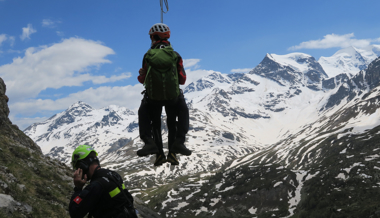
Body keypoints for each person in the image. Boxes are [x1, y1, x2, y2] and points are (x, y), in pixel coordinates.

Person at [137, 23, 191, 166]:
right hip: (173, 98)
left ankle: (153, 147)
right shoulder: (175, 55)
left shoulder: (147, 56)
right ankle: (176, 147)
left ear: (154, 37)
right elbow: (182, 79)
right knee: (175, 119)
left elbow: (143, 80)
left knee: (151, 120)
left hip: (153, 98)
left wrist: (141, 75)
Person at [69, 145, 137, 218]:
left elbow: (75, 212)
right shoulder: (113, 175)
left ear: (83, 166)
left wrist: (78, 188)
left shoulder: (96, 185)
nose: (77, 171)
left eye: (78, 167)